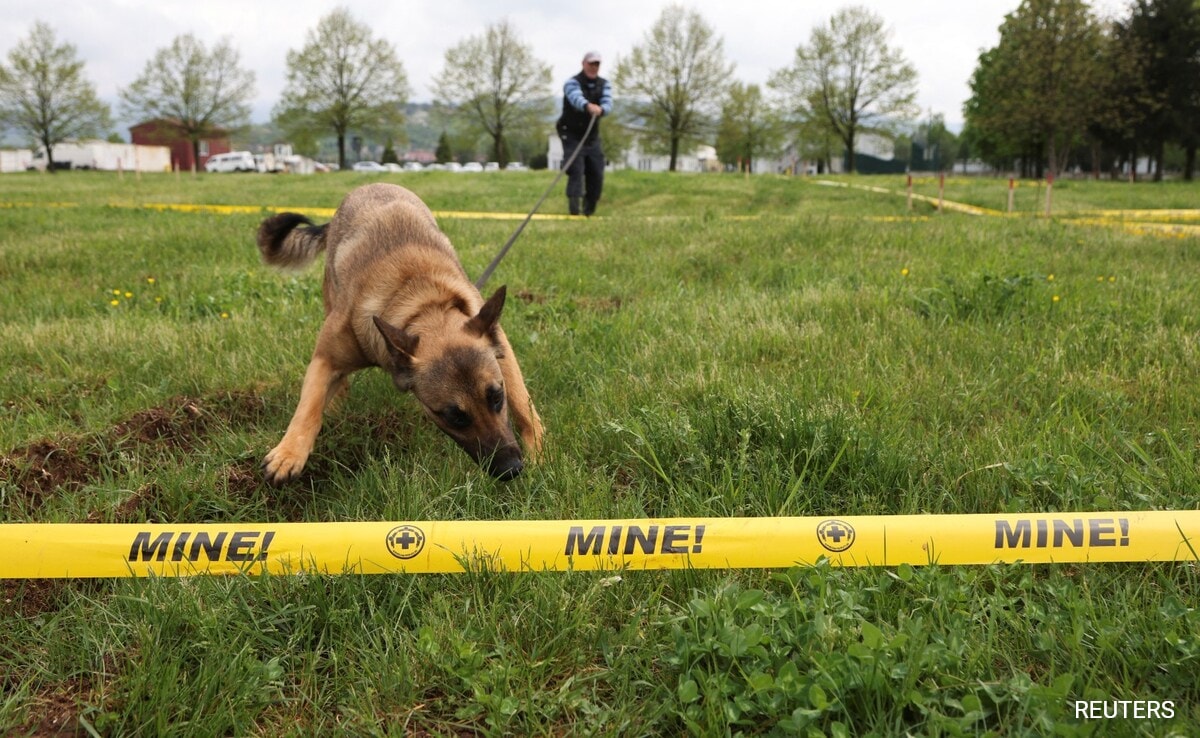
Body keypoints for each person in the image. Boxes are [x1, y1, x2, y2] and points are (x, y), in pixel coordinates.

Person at [556, 51, 612, 216]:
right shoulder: (572, 83)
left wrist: (602, 109)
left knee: (596, 172)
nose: (594, 67)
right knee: (576, 169)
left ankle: (589, 212)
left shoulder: (605, 84)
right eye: (591, 63)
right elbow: (575, 98)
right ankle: (574, 211)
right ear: (583, 64)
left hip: (591, 136)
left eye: (597, 64)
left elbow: (608, 103)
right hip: (571, 134)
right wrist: (588, 106)